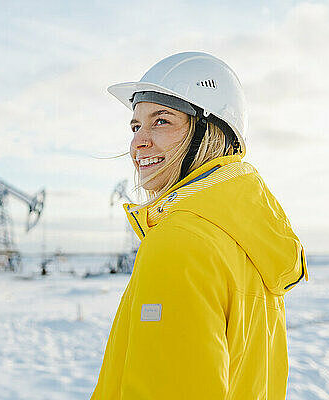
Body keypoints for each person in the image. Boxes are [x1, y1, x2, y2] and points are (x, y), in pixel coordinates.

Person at [90, 52, 308, 399]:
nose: (137, 142)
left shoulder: (180, 242)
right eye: (135, 126)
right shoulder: (252, 242)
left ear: (210, 132)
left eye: (161, 121)